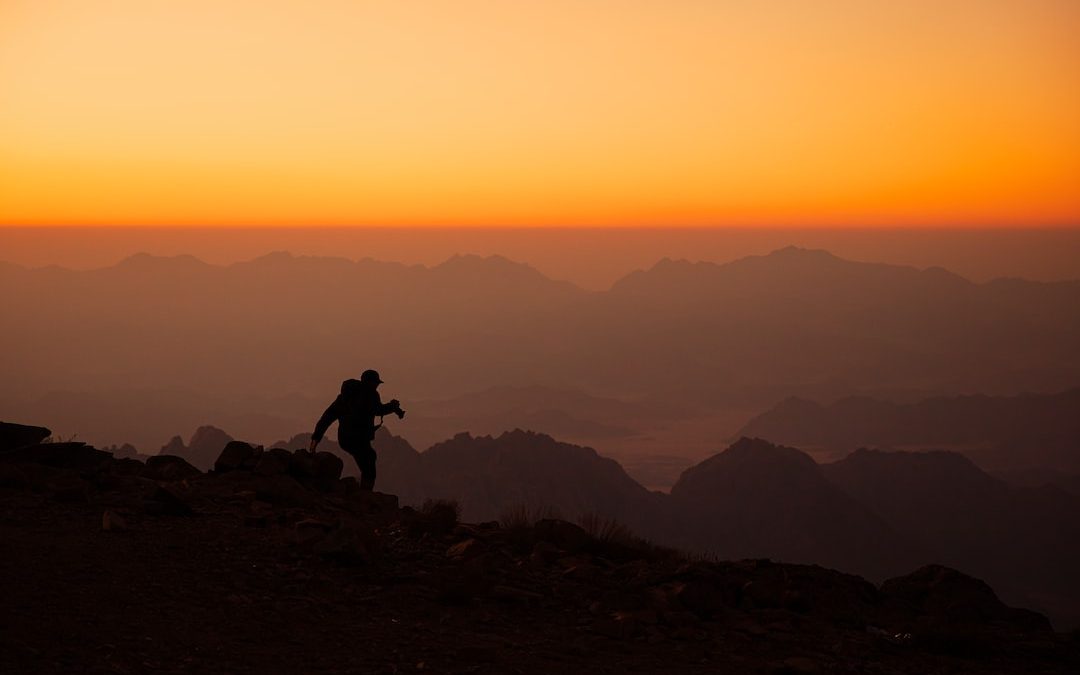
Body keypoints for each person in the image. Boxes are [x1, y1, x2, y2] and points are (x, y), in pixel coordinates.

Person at [309, 369, 404, 491]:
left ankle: (364, 490)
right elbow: (379, 410)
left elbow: (326, 418)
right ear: (369, 383)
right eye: (375, 383)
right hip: (357, 439)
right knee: (369, 459)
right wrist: (392, 407)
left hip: (346, 438)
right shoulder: (371, 396)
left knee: (369, 458)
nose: (376, 386)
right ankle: (365, 492)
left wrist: (315, 440)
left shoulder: (345, 398)